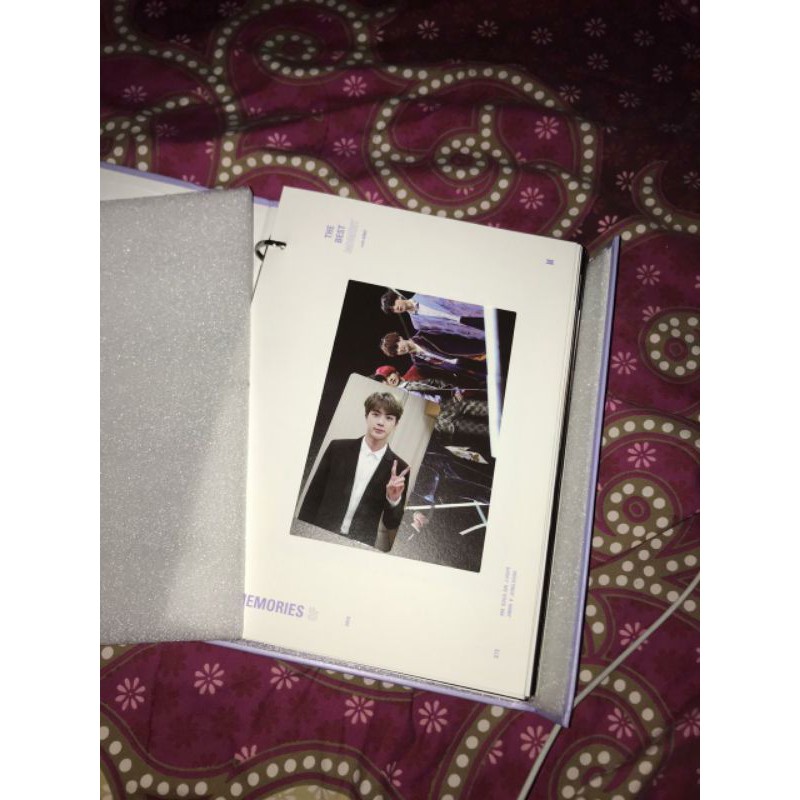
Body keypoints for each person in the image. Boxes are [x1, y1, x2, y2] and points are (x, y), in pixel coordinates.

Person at [297, 392, 410, 548]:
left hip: (359, 545)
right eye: (376, 414)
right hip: (319, 534)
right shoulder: (337, 448)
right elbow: (312, 497)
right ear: (366, 416)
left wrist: (393, 499)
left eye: (389, 418)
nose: (381, 422)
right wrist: (302, 533)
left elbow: (392, 523)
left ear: (396, 424)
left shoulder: (400, 469)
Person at [379, 331, 487, 386]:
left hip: (475, 352)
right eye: (396, 351)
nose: (399, 349)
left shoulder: (424, 334)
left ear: (400, 338)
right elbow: (444, 376)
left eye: (397, 345)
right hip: (468, 370)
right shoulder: (419, 364)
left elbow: (454, 335)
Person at [380, 290, 484, 339]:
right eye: (393, 310)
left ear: (398, 297)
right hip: (470, 330)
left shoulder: (422, 293)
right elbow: (446, 332)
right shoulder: (417, 324)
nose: (396, 308)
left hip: (473, 310)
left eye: (393, 304)